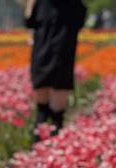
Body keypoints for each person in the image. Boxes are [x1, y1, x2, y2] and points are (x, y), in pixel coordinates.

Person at [25, 0, 87, 137]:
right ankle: (44, 143)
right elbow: (29, 20)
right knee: (43, 110)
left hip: (60, 51)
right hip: (47, 51)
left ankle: (50, 141)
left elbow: (29, 19)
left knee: (54, 112)